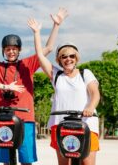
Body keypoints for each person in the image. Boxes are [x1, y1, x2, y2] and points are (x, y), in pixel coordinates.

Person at [0, 8, 68, 165]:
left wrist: (55, 25)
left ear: (19, 50)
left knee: (26, 160)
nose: (11, 52)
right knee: (7, 161)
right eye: (8, 49)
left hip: (26, 119)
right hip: (4, 119)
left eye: (14, 49)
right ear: (3, 51)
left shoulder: (27, 64)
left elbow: (48, 48)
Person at [28, 18, 100, 165]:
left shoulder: (85, 73)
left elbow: (95, 93)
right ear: (59, 60)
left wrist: (90, 107)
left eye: (71, 56)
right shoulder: (57, 75)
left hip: (86, 122)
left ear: (76, 58)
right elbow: (40, 56)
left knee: (87, 162)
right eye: (64, 56)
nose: (68, 59)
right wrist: (37, 33)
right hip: (61, 123)